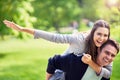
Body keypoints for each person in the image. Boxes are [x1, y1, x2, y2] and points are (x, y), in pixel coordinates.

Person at [3, 19, 111, 79]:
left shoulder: (105, 48)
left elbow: (108, 73)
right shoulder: (79, 39)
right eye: (99, 34)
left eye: (105, 35)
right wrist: (22, 29)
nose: (102, 38)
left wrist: (91, 63)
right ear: (93, 33)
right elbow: (54, 37)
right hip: (61, 75)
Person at [46, 39, 119, 80]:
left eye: (112, 55)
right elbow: (53, 61)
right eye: (107, 52)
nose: (109, 57)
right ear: (99, 50)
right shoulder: (79, 61)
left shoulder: (104, 75)